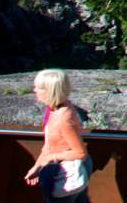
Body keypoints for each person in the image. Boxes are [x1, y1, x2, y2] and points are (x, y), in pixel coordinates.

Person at [23, 70, 88, 202]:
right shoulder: (56, 108)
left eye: (39, 88)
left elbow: (80, 153)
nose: (34, 90)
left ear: (50, 91)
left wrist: (51, 157)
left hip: (64, 174)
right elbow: (49, 146)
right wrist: (37, 166)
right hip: (63, 170)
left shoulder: (62, 119)